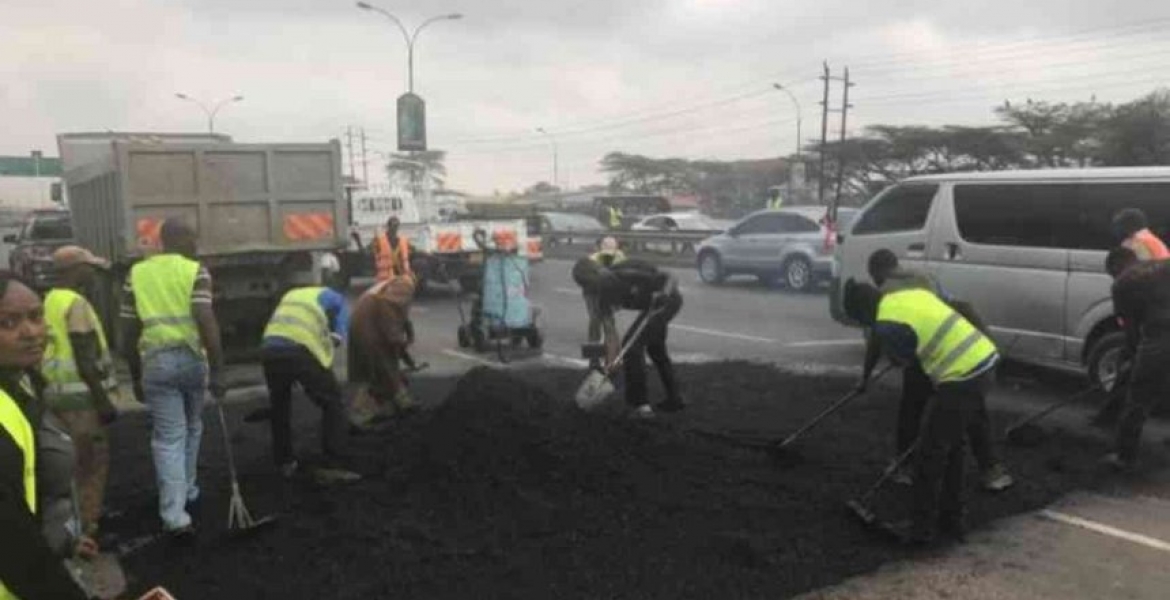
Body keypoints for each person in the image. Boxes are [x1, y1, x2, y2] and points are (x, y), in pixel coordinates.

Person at [844, 279, 1000, 544]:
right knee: (952, 446)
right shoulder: (909, 295)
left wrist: (896, 356)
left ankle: (920, 530)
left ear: (864, 313)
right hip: (983, 360)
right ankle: (951, 521)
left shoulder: (887, 323)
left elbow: (907, 361)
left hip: (963, 374)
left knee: (930, 453)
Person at [859, 250, 1013, 492]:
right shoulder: (925, 278)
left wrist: (866, 377)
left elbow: (878, 340)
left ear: (876, 272)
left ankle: (906, 468)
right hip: (959, 353)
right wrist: (988, 340)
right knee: (972, 410)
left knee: (912, 410)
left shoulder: (887, 292)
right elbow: (961, 306)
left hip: (929, 356)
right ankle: (991, 471)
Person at [121, 218, 224, 541]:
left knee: (169, 437)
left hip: (156, 363)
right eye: (192, 238)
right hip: (192, 360)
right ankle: (185, 496)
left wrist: (135, 374)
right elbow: (206, 320)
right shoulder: (196, 271)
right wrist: (218, 370)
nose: (196, 244)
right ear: (176, 239)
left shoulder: (137, 274)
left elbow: (128, 331)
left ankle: (175, 511)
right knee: (191, 427)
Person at [0, 272, 91, 599]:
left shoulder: (22, 388)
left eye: (36, 317)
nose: (30, 332)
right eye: (8, 322)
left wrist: (61, 539)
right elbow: (12, 539)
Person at [41, 246, 121, 540]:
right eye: (89, 268)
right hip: (81, 400)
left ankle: (74, 519)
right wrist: (103, 400)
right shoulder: (76, 304)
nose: (93, 274)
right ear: (75, 270)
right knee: (91, 463)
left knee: (69, 465)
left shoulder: (50, 300)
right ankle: (87, 527)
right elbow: (84, 355)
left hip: (56, 396)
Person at [260, 262, 359, 482]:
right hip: (299, 348)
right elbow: (340, 324)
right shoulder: (331, 296)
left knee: (280, 406)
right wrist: (336, 337)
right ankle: (333, 463)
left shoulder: (291, 296)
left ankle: (284, 462)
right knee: (332, 402)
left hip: (269, 349)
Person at [573, 256, 683, 417]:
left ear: (600, 272)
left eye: (593, 283)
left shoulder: (623, 273)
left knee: (632, 349)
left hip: (667, 301)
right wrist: (611, 363)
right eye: (588, 287)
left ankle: (640, 406)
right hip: (650, 307)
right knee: (656, 350)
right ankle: (675, 399)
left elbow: (670, 275)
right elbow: (610, 332)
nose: (594, 289)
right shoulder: (601, 297)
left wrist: (664, 294)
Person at [1100, 247, 1170, 471]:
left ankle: (1124, 456)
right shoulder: (1163, 264)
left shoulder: (1122, 283)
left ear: (1115, 266)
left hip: (1160, 336)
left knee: (1139, 395)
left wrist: (1131, 357)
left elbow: (1131, 330)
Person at [347, 276, 417, 427]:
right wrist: (398, 341)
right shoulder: (405, 285)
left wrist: (403, 344)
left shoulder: (390, 285)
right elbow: (390, 312)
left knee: (384, 370)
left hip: (365, 324)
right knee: (382, 373)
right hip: (369, 329)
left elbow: (399, 316)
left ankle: (402, 401)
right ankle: (360, 415)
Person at [577, 237, 625, 369]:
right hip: (592, 292)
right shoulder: (592, 260)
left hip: (609, 292)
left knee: (609, 323)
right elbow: (583, 278)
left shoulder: (620, 259)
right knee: (595, 321)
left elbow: (623, 279)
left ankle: (613, 359)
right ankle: (594, 359)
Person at [374, 215, 412, 282]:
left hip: (401, 277)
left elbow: (407, 257)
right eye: (393, 226)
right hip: (385, 278)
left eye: (396, 226)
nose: (394, 228)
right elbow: (370, 252)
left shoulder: (403, 241)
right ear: (388, 226)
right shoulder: (379, 240)